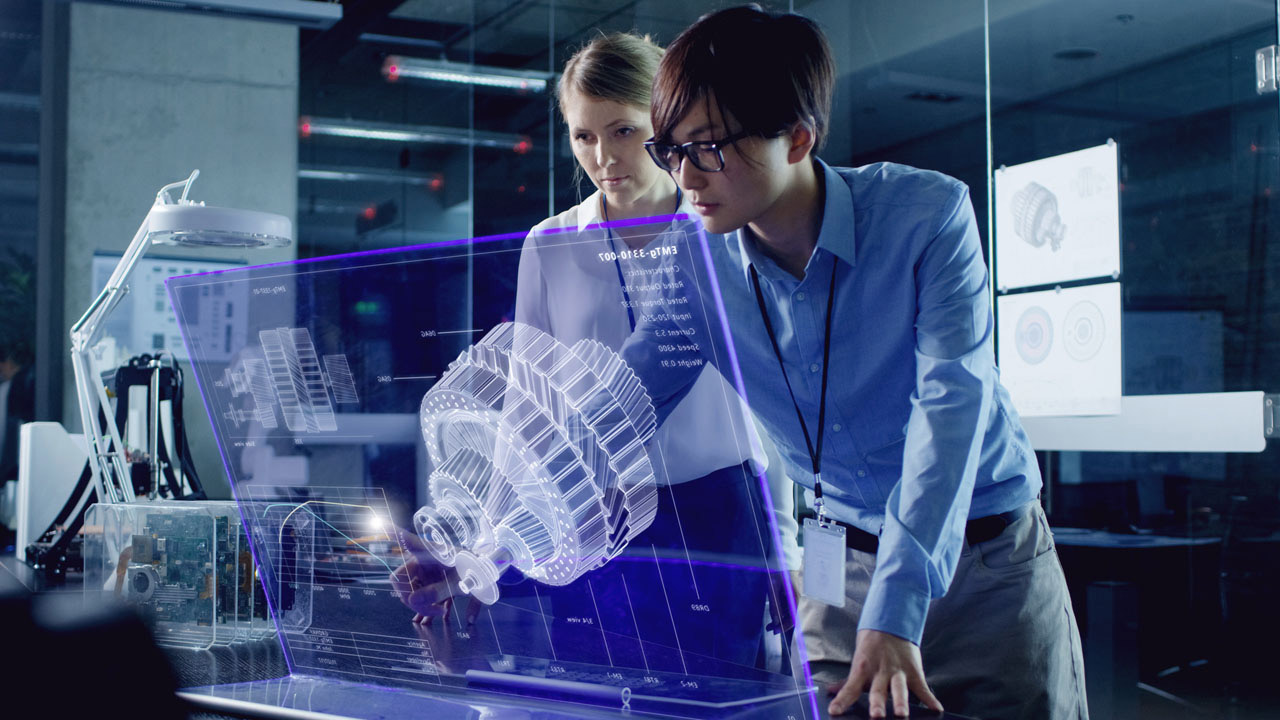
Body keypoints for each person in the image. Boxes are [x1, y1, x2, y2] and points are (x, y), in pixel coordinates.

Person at [616, 6, 1087, 719]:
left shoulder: (926, 216)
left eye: (708, 147)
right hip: (841, 569)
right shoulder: (693, 261)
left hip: (987, 571)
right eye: (671, 151)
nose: (685, 176)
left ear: (797, 137)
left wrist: (897, 608)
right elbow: (621, 405)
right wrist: (485, 536)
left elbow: (950, 410)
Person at [394, 32, 801, 672]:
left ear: (666, 127)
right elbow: (520, 417)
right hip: (593, 515)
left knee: (715, 700)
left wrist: (786, 547)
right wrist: (478, 545)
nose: (603, 156)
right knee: (591, 692)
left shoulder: (723, 231)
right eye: (583, 136)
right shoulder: (549, 244)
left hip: (719, 512)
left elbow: (770, 408)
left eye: (623, 131)